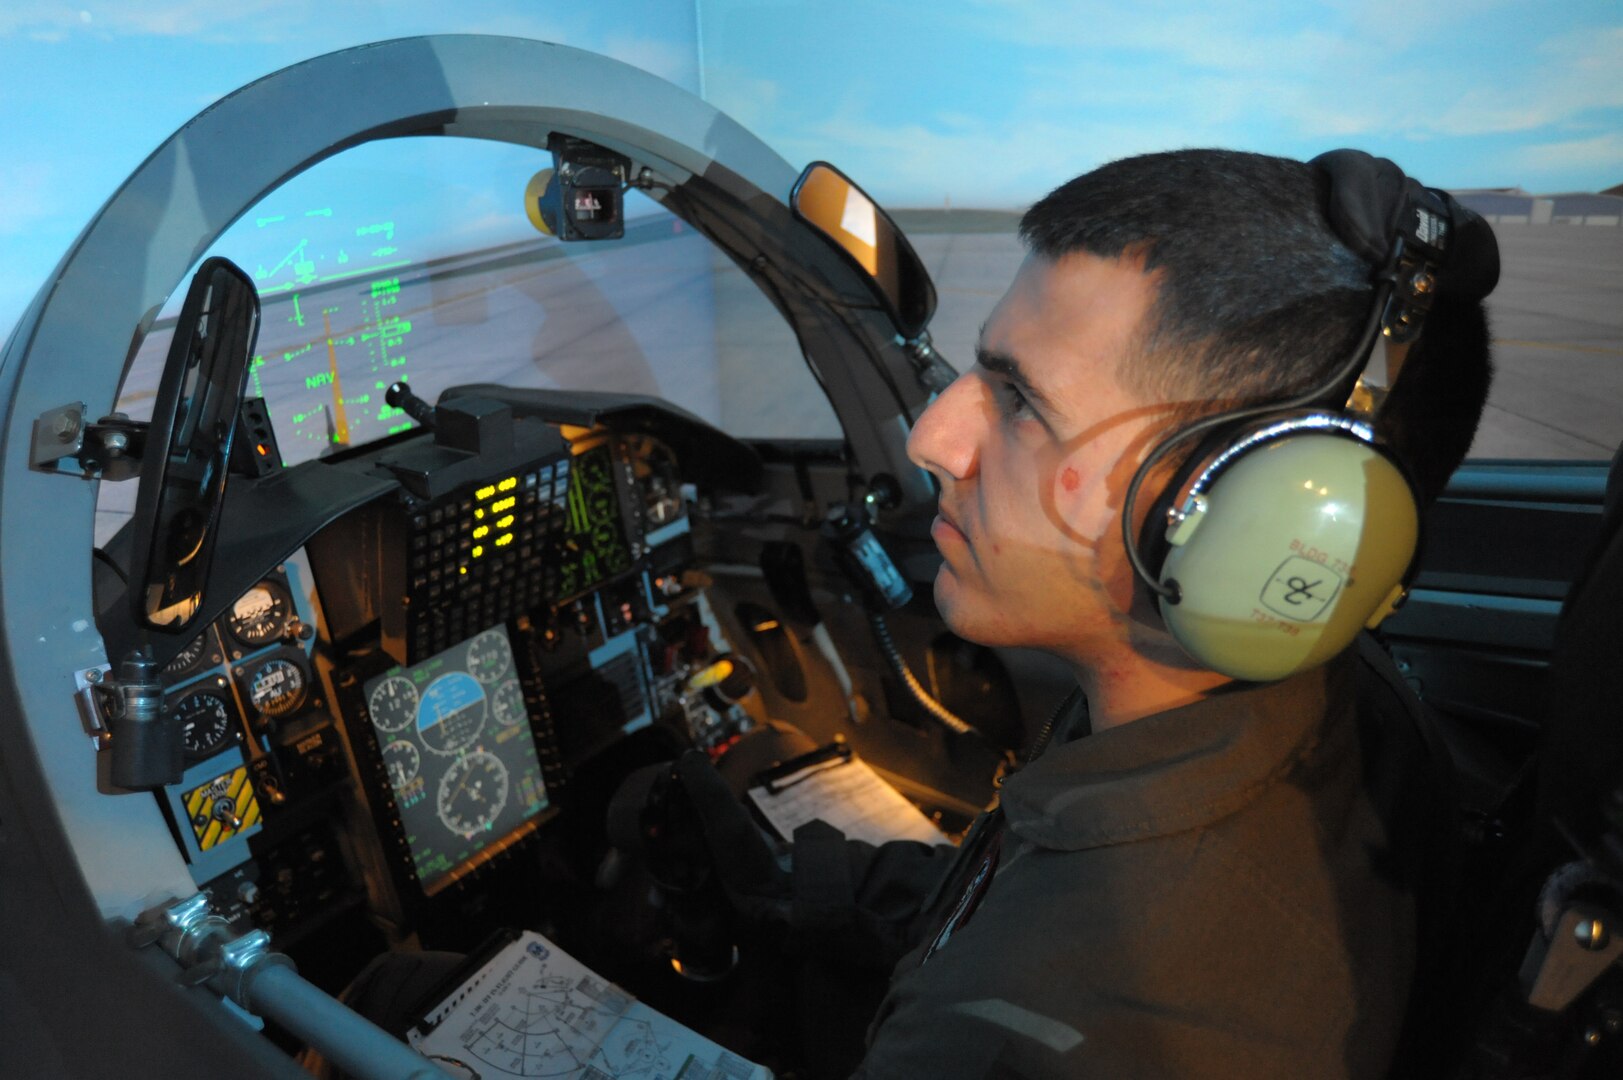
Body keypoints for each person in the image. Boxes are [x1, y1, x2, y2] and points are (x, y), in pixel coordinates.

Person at [716, 148, 1491, 1079]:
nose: (932, 437)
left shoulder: (1031, 1030)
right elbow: (1013, 898)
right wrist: (807, 886)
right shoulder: (1332, 705)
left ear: (1253, 515)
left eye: (1019, 401)